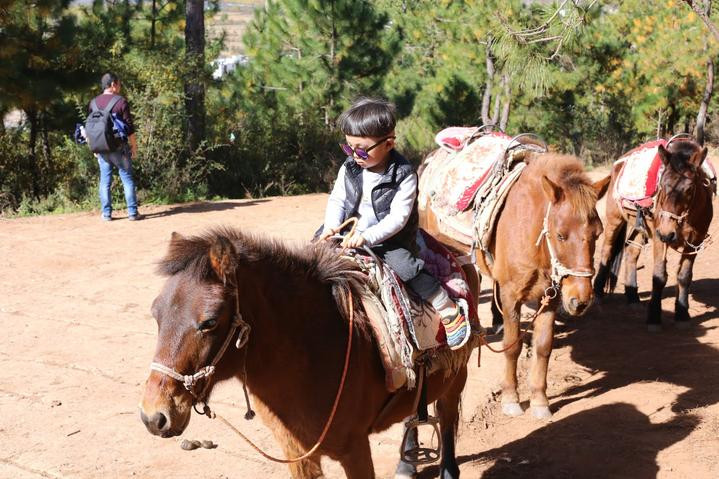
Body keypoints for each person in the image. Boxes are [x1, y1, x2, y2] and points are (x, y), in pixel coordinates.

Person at [320, 97, 462, 328]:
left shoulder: (404, 175)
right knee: (315, 252)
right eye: (348, 147)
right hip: (348, 230)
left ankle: (445, 306)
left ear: (388, 144)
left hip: (388, 238)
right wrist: (331, 226)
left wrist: (366, 237)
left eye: (361, 150)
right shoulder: (349, 167)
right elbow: (338, 199)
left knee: (406, 266)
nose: (354, 155)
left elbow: (398, 218)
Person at [90, 72, 141, 221]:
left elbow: (91, 127)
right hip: (120, 147)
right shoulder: (120, 101)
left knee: (105, 181)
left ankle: (106, 214)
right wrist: (134, 147)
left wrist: (94, 147)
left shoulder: (93, 103)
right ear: (113, 85)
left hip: (102, 148)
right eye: (119, 84)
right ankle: (132, 213)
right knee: (127, 179)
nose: (119, 87)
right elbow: (129, 128)